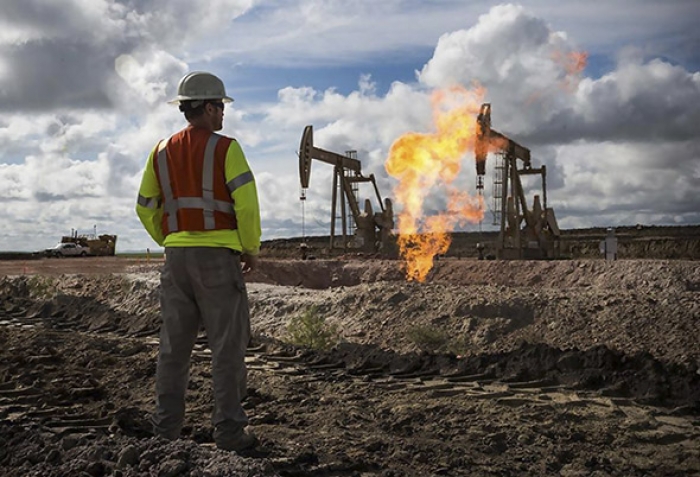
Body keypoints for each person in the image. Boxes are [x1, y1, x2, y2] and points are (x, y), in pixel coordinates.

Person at [135, 71, 261, 452]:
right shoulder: (227, 148)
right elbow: (247, 204)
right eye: (220, 106)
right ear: (207, 107)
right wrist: (249, 247)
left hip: (176, 261)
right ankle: (230, 434)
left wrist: (170, 239)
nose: (223, 113)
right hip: (218, 261)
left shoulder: (160, 151)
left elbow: (144, 207)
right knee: (226, 348)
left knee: (173, 350)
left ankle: (165, 432)